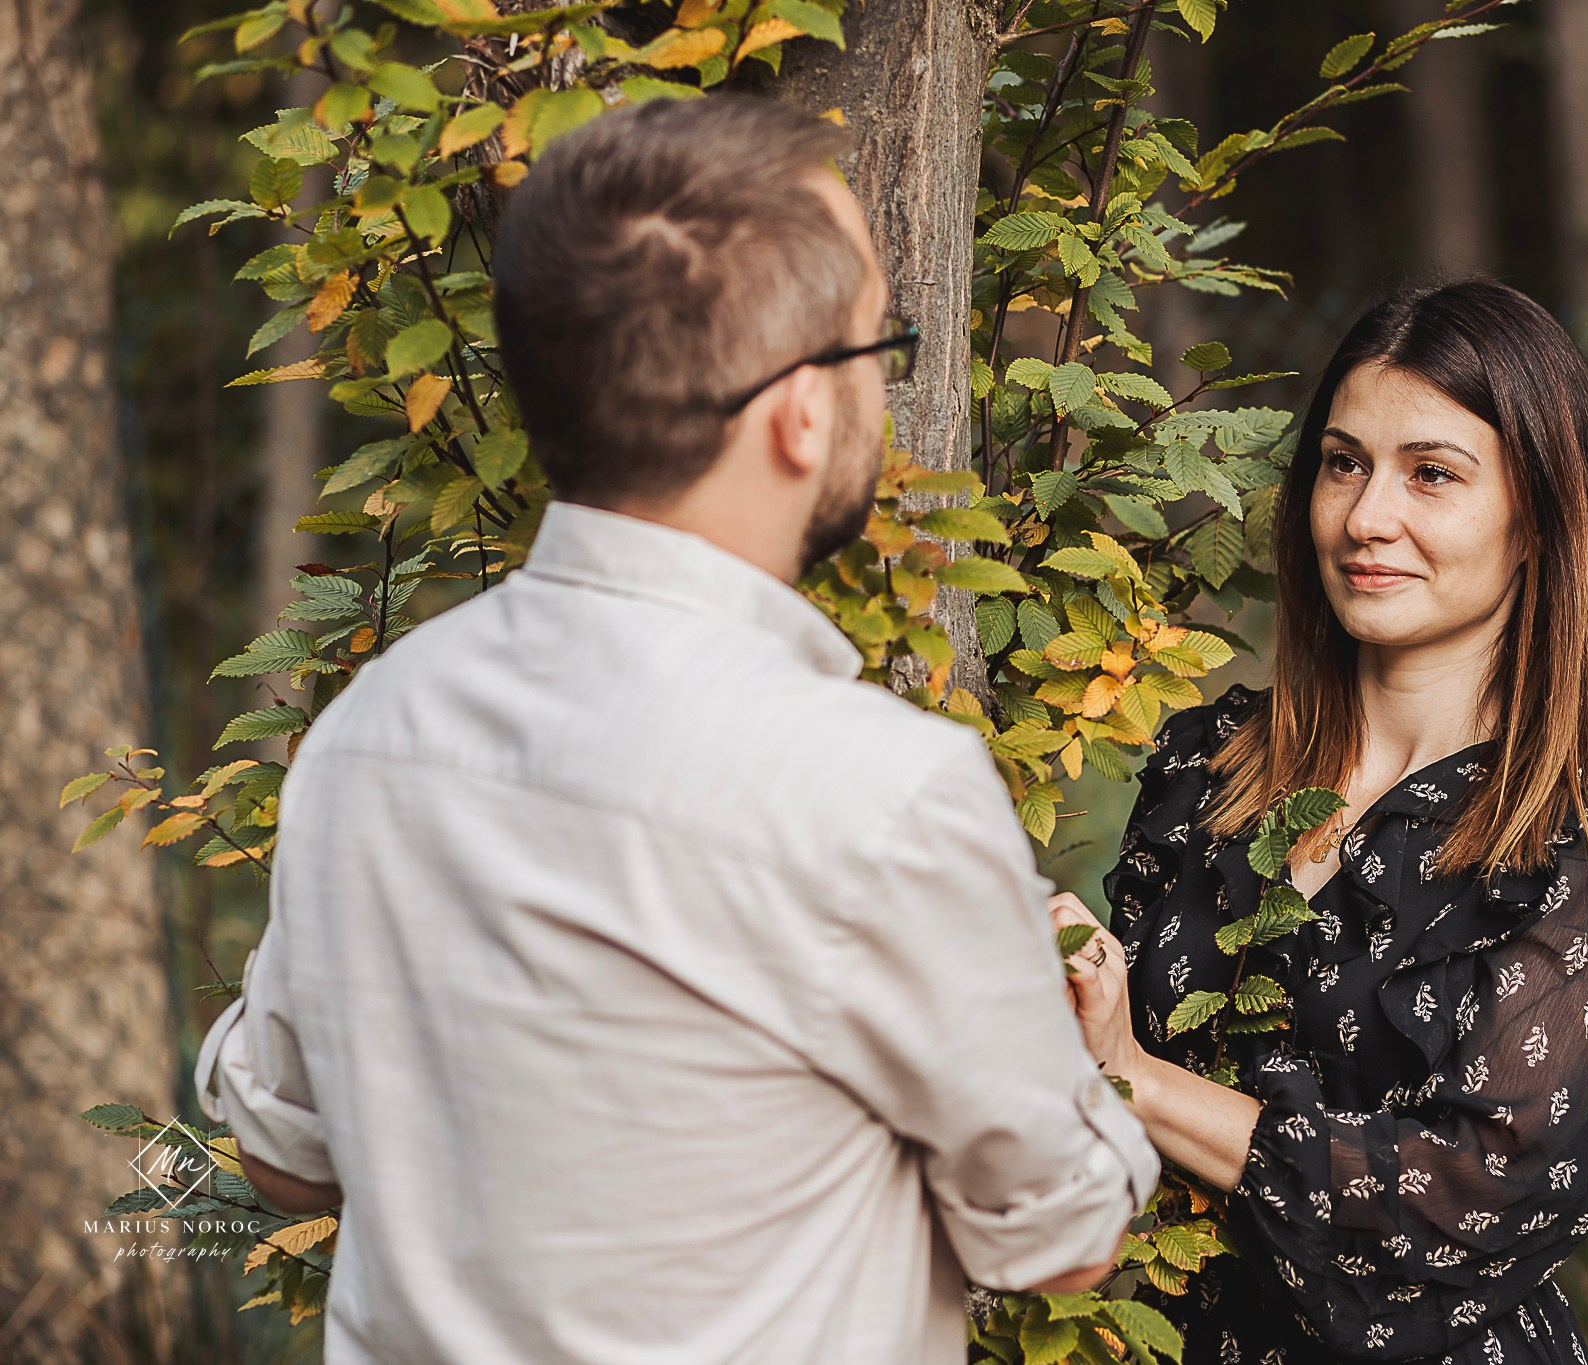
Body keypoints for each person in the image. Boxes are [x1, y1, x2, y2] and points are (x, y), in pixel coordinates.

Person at [194, 95, 1157, 1365]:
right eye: (881, 344)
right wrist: (1057, 1045)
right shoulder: (879, 793)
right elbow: (1063, 1239)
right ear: (799, 412)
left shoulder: (368, 736)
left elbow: (282, 1159)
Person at [1049, 280, 1588, 1364]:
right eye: (1343, 463)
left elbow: (1470, 1201)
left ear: (1536, 521)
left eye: (1431, 474)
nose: (1367, 516)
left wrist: (1131, 1076)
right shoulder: (1206, 767)